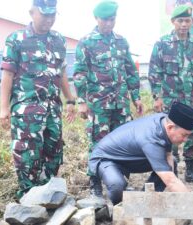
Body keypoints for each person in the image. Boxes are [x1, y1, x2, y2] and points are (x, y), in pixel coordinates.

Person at [0, 0, 76, 199]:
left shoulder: (59, 39)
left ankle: (48, 195)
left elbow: (62, 72)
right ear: (32, 12)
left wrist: (69, 100)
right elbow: (7, 75)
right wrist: (3, 109)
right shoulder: (16, 39)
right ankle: (28, 196)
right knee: (27, 154)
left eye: (52, 15)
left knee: (54, 151)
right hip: (27, 109)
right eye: (44, 15)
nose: (48, 20)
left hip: (52, 108)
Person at [73, 0, 143, 198]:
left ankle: (123, 182)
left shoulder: (121, 41)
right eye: (105, 20)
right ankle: (95, 185)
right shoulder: (86, 42)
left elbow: (130, 71)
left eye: (112, 20)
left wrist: (136, 97)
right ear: (96, 19)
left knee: (124, 143)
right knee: (97, 143)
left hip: (121, 104)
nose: (109, 24)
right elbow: (79, 73)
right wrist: (81, 101)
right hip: (98, 105)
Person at [88, 102, 193, 205]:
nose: (185, 140)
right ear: (170, 128)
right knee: (117, 185)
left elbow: (168, 155)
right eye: (184, 135)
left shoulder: (164, 121)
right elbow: (170, 180)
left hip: (130, 157)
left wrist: (181, 189)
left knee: (170, 164)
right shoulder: (151, 138)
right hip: (106, 158)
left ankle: (145, 201)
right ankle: (121, 207)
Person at [148, 5, 193, 183]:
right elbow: (154, 72)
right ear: (173, 22)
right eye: (180, 20)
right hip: (170, 98)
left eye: (187, 20)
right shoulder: (162, 43)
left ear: (191, 22)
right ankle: (171, 168)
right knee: (170, 132)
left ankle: (190, 170)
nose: (184, 24)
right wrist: (157, 97)